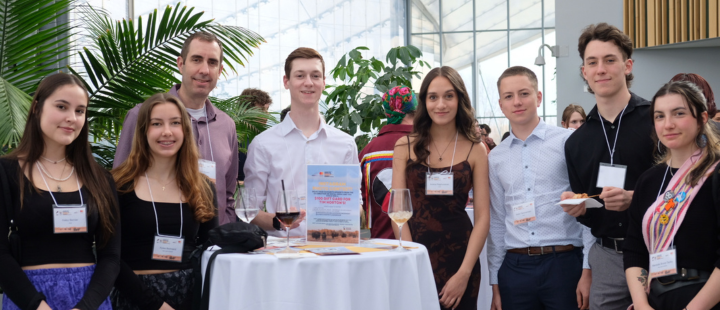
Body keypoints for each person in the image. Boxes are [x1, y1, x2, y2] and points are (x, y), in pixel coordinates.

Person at [0, 73, 120, 310]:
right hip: (28, 299)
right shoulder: (6, 171)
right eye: (61, 107)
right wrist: (37, 305)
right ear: (37, 108)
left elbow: (111, 256)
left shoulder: (100, 178)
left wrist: (86, 306)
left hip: (89, 299)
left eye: (80, 111)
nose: (71, 118)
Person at [560, 23, 655, 310]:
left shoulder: (657, 121)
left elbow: (683, 190)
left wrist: (634, 200)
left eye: (609, 60)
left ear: (627, 65)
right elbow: (588, 213)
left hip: (660, 251)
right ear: (584, 72)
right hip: (607, 256)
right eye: (592, 62)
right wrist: (579, 208)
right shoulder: (576, 143)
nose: (600, 69)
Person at [487, 66, 595, 310]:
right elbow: (497, 220)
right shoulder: (495, 158)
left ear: (538, 97)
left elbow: (585, 205)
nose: (517, 102)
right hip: (515, 269)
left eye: (524, 93)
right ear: (501, 105)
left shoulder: (567, 141)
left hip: (564, 264)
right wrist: (495, 280)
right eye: (508, 96)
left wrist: (588, 268)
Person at [114, 31, 238, 225]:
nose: (204, 69)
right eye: (196, 59)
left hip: (216, 248)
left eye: (212, 62)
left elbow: (229, 195)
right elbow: (120, 185)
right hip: (155, 242)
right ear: (181, 64)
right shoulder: (141, 116)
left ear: (220, 70)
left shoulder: (226, 125)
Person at [392, 66, 489, 310]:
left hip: (461, 258)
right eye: (433, 97)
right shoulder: (404, 146)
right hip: (415, 255)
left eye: (449, 96)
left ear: (459, 99)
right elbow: (397, 212)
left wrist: (464, 273)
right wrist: (411, 259)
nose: (441, 104)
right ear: (424, 101)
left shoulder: (475, 149)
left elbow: (483, 217)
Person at [110, 93, 218, 310]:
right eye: (156, 123)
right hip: (134, 298)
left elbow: (209, 249)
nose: (167, 132)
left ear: (185, 131)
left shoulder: (204, 186)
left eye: (175, 123)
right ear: (143, 131)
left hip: (190, 297)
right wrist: (154, 304)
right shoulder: (118, 184)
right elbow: (109, 257)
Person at [623, 81, 720, 310]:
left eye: (679, 113)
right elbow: (634, 249)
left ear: (702, 118)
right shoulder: (649, 181)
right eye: (659, 116)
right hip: (656, 299)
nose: (668, 124)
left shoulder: (715, 174)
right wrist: (641, 304)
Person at [244, 47, 359, 236]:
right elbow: (250, 210)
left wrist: (349, 212)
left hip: (331, 251)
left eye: (315, 76)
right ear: (286, 82)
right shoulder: (263, 144)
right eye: (300, 76)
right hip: (281, 253)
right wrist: (278, 222)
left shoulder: (345, 144)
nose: (308, 83)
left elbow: (356, 205)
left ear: (323, 82)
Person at [359, 85, 417, 239]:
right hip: (422, 245)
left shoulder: (367, 153)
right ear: (416, 109)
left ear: (386, 112)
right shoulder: (427, 145)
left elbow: (360, 202)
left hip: (381, 244)